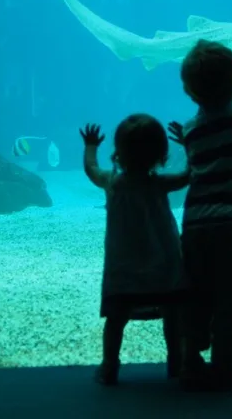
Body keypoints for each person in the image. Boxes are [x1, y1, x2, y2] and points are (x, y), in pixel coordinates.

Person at [168, 39, 232, 391]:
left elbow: (198, 156)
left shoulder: (191, 130)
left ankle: (190, 358)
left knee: (195, 293)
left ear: (189, 92)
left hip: (196, 227)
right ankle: (227, 363)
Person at [80, 115, 191, 386]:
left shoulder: (112, 182)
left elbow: (91, 168)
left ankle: (109, 365)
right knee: (172, 316)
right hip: (163, 265)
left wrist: (91, 146)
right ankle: (176, 363)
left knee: (116, 319)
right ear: (161, 154)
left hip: (123, 267)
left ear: (118, 151)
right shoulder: (160, 183)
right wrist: (189, 145)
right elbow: (189, 174)